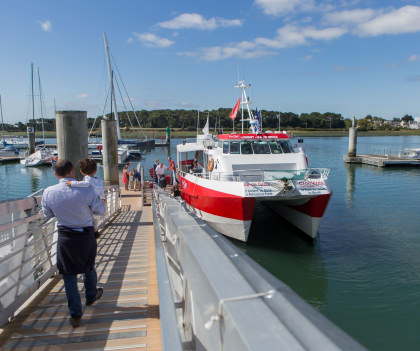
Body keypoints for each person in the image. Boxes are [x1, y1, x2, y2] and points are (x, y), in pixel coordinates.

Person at [42, 159, 105, 328]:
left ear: (56, 174)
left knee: (68, 275)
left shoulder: (48, 192)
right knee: (88, 266)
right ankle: (91, 295)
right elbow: (101, 210)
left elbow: (47, 214)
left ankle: (76, 314)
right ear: (72, 171)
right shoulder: (84, 190)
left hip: (65, 236)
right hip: (85, 235)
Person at [66, 158, 105, 239]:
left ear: (81, 171)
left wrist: (72, 183)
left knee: (88, 216)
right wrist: (103, 197)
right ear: (96, 170)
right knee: (90, 216)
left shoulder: (87, 178)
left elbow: (84, 184)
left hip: (88, 200)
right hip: (96, 200)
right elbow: (101, 189)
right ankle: (94, 231)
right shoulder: (99, 180)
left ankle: (93, 231)